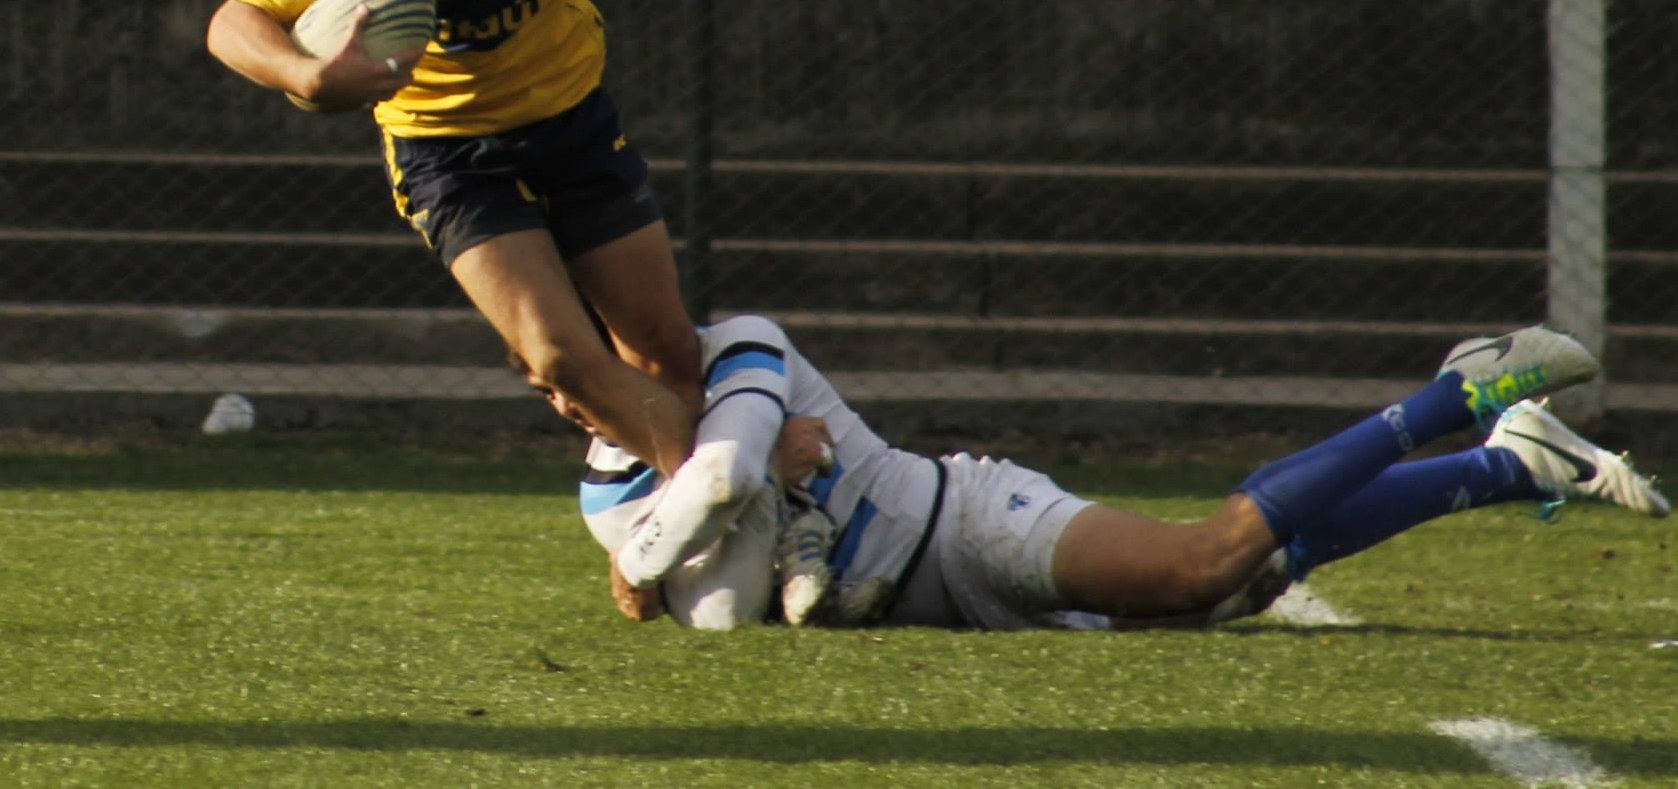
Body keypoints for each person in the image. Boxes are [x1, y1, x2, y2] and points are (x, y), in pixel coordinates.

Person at [203, 0, 986, 478]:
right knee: (560, 362)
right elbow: (233, 20)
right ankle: (750, 478)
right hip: (444, 148)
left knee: (664, 357)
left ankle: (686, 520)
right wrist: (303, 76)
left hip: (568, 118)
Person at [556, 318, 1664, 630]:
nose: (560, 388)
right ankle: (1511, 462)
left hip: (962, 527)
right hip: (952, 613)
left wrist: (681, 544)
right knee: (1244, 585)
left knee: (1198, 564)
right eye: (547, 379)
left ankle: (1451, 397)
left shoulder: (735, 348)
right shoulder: (604, 495)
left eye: (567, 359)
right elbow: (728, 615)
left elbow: (712, 487)